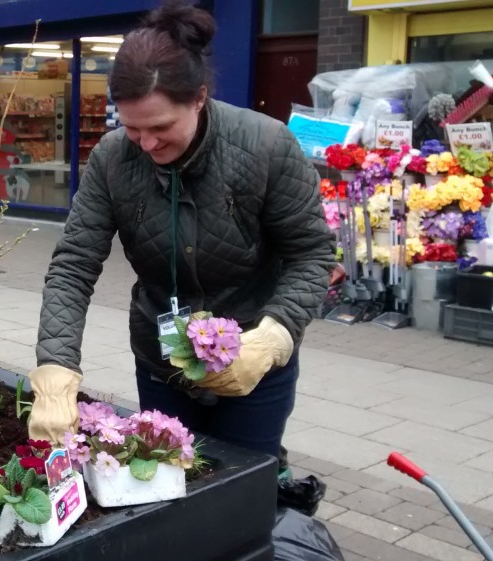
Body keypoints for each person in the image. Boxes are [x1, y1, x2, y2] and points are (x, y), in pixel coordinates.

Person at [27, 1, 335, 465]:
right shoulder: (113, 159)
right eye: (133, 129)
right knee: (168, 484)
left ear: (199, 98)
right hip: (161, 363)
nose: (148, 144)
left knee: (243, 488)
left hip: (248, 364)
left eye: (161, 128)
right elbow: (74, 265)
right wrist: (54, 365)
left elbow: (312, 254)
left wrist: (273, 338)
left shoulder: (266, 146)